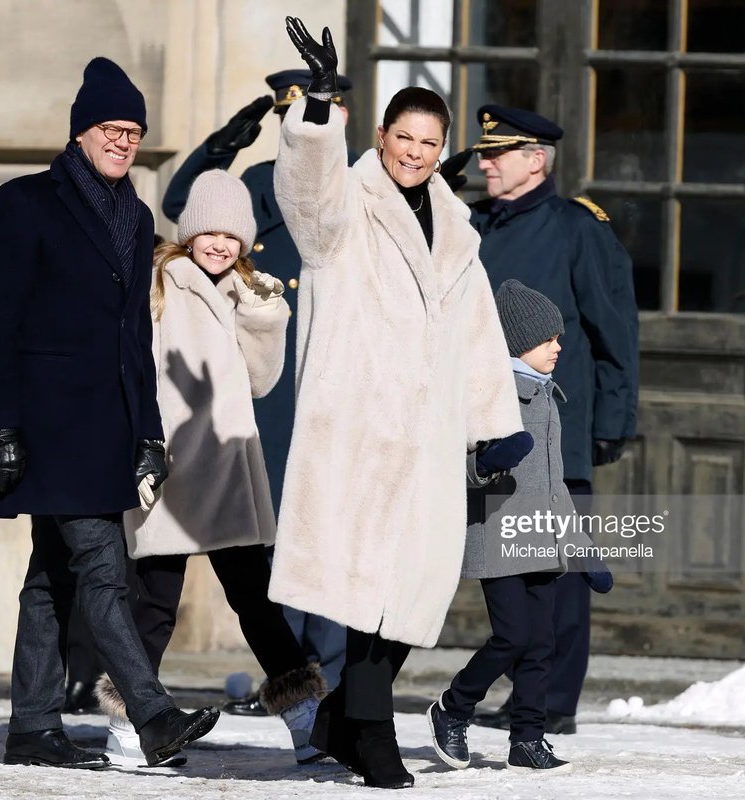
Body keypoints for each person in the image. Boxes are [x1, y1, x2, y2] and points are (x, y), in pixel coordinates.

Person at [268, 17, 525, 790]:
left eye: (428, 143)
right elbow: (306, 197)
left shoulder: (458, 231)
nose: (415, 153)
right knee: (364, 591)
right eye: (403, 138)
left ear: (441, 150)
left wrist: (495, 427)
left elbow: (477, 333)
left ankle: (345, 715)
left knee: (414, 592)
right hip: (358, 428)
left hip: (432, 440)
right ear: (380, 136)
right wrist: (316, 110)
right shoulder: (346, 207)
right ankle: (373, 733)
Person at [0, 57, 218, 770]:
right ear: (81, 131)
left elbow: (133, 337)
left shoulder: (137, 218)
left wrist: (149, 432)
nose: (123, 141)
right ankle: (154, 715)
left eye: (134, 132)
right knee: (105, 572)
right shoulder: (25, 202)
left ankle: (33, 725)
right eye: (111, 128)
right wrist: (1, 426)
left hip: (107, 430)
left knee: (51, 578)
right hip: (46, 427)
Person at [93, 169, 325, 767]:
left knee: (255, 599)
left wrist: (264, 317)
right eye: (209, 232)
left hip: (225, 467)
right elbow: (131, 370)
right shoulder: (160, 284)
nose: (220, 244)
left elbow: (262, 381)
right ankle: (129, 725)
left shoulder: (247, 294)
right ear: (189, 232)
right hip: (169, 467)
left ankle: (306, 721)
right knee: (154, 603)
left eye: (232, 235)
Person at [161, 69, 355, 704]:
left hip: (331, 384)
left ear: (342, 119)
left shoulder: (356, 190)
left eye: (319, 118)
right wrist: (222, 145)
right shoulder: (252, 186)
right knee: (267, 551)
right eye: (288, 119)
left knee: (327, 533)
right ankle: (297, 675)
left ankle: (330, 677)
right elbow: (183, 210)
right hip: (263, 397)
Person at [450, 104, 637, 736]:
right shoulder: (475, 225)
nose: (484, 161)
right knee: (506, 568)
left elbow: (615, 328)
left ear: (536, 159)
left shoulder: (576, 228)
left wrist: (612, 417)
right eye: (483, 152)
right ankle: (525, 697)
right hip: (488, 429)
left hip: (559, 433)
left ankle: (552, 704)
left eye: (497, 153)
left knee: (557, 571)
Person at [428, 279, 580, 774]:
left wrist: (581, 548)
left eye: (558, 337)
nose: (558, 346)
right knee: (513, 636)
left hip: (542, 537)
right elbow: (463, 464)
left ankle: (527, 739)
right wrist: (489, 461)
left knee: (542, 642)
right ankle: (453, 707)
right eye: (547, 339)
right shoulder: (489, 393)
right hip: (498, 535)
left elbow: (556, 486)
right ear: (517, 345)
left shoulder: (547, 396)